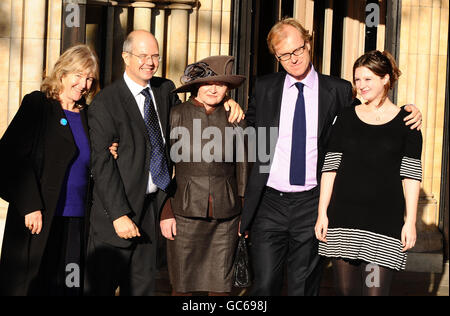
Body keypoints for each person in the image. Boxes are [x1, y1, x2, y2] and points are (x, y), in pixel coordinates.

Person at [239, 17, 423, 296]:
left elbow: (370, 115)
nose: (293, 58)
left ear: (308, 44)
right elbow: (246, 129)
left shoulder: (336, 90)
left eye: (297, 49)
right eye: (284, 55)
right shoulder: (265, 87)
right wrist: (227, 103)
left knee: (302, 287)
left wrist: (409, 110)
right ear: (276, 57)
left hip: (311, 200)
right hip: (269, 202)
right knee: (264, 285)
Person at [84, 30, 244, 296]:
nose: (149, 62)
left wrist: (225, 99)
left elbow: (194, 112)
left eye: (155, 56)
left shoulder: (164, 89)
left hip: (151, 209)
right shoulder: (105, 102)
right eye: (143, 55)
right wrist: (119, 215)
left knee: (144, 288)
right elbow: (102, 165)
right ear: (126, 57)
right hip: (118, 213)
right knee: (101, 287)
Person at [315, 50, 422, 296]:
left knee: (374, 293)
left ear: (386, 79)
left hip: (384, 225)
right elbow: (330, 168)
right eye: (357, 80)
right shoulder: (345, 117)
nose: (361, 86)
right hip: (343, 221)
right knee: (345, 293)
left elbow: (411, 176)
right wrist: (322, 214)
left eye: (368, 79)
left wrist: (410, 222)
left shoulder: (408, 123)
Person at [0, 44, 100, 295]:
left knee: (69, 285)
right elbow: (11, 157)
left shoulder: (89, 115)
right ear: (62, 73)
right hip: (38, 217)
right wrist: (30, 204)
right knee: (32, 286)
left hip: (77, 219)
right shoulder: (38, 105)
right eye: (78, 75)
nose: (83, 84)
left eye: (89, 78)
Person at [159, 56, 248, 296]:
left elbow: (243, 169)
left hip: (227, 217)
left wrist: (244, 213)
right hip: (183, 214)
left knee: (221, 288)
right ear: (196, 86)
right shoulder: (175, 115)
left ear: (228, 88)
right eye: (208, 82)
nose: (214, 88)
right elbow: (162, 166)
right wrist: (165, 210)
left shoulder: (236, 120)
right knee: (183, 287)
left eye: (221, 84)